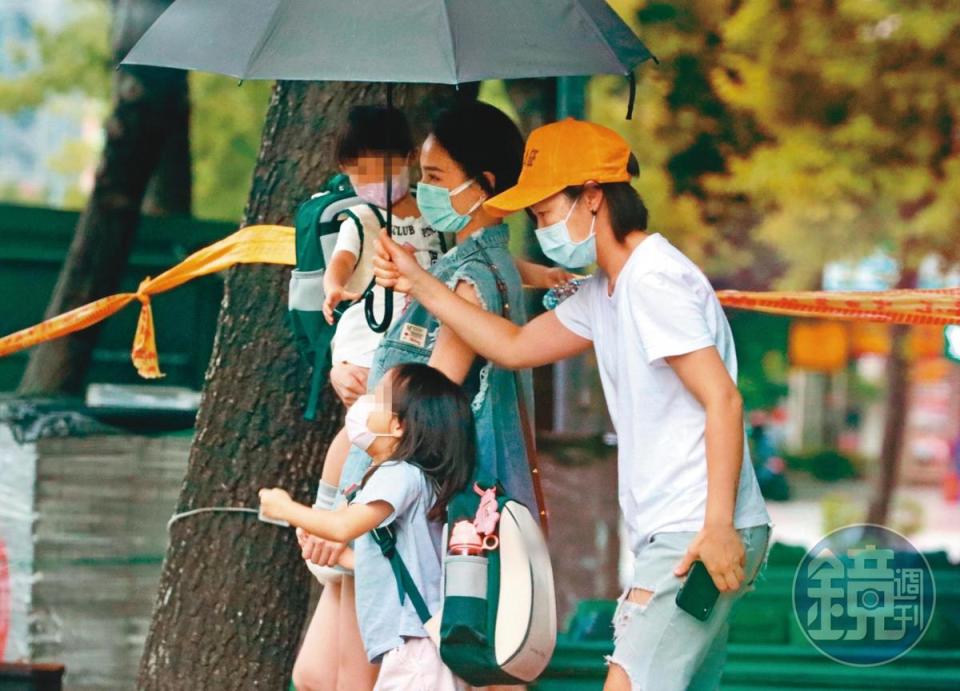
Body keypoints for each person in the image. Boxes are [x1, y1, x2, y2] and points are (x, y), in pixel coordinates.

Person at [373, 118, 773, 691]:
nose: (539, 229)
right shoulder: (604, 293)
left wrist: (717, 528)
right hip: (679, 528)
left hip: (697, 528)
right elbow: (511, 346)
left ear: (592, 196)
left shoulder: (653, 281)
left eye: (543, 212)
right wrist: (418, 281)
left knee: (627, 682)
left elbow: (723, 400)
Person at [299, 101, 550, 691]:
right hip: (381, 490)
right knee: (319, 675)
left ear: (483, 184)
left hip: (395, 506)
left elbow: (425, 407)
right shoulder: (459, 264)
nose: (424, 190)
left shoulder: (472, 277)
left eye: (435, 178)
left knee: (342, 678)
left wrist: (350, 513)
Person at [260, 363, 474, 690]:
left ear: (399, 425)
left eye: (376, 398)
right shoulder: (414, 479)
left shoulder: (398, 474)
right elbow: (398, 564)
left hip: (414, 648)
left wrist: (285, 508)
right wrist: (340, 559)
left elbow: (342, 526)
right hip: (420, 646)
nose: (364, 404)